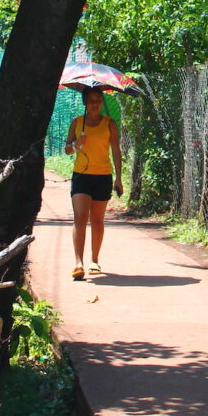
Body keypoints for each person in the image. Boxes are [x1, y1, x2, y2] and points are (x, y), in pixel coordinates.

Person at [64, 88, 123, 280]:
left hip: (103, 176)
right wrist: (77, 143)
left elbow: (115, 150)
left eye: (98, 100)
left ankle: (94, 260)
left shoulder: (110, 124)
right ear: (85, 103)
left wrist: (119, 178)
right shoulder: (77, 123)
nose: (95, 103)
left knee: (97, 220)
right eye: (91, 100)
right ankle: (78, 263)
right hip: (81, 175)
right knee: (80, 217)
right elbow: (67, 150)